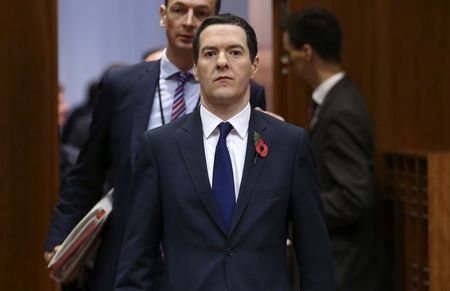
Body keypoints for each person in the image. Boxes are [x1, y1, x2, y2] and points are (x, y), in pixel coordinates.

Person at [44, 1, 266, 291]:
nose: (188, 22)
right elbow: (88, 172)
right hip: (128, 257)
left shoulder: (245, 91)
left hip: (206, 263)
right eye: (179, 10)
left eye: (201, 13)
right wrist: (60, 235)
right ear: (163, 15)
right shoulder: (120, 85)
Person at [115, 13, 335, 291]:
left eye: (234, 52)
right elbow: (137, 261)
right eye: (209, 53)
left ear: (254, 65)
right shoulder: (160, 147)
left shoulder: (289, 144)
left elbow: (315, 258)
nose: (222, 62)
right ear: (195, 68)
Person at [283, 8, 379, 291]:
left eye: (289, 54)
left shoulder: (342, 109)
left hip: (345, 266)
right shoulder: (331, 101)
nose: (288, 64)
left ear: (308, 52)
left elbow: (354, 196)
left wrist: (296, 208)